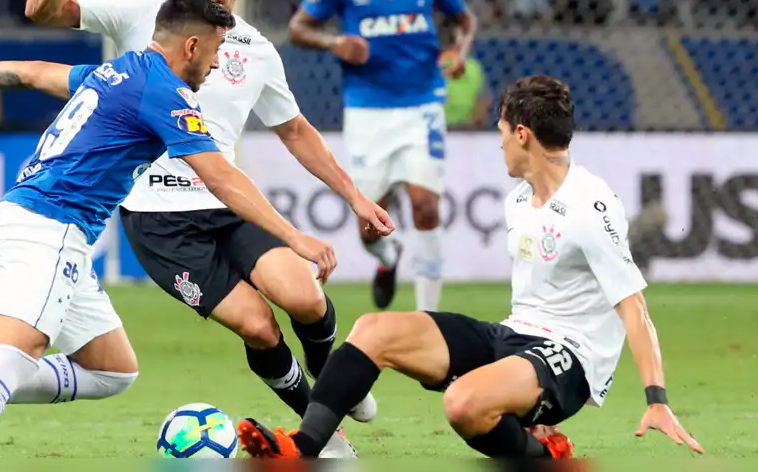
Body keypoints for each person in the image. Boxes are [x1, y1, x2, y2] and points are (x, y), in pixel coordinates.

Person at [0, 0, 338, 459]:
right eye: (214, 53)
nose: (215, 66)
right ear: (191, 47)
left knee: (112, 370)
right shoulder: (164, 92)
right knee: (14, 353)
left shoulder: (121, 69)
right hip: (50, 226)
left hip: (37, 223)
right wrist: (293, 237)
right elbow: (221, 178)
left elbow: (34, 72)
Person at [20, 0, 389, 454]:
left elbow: (295, 131)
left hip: (227, 204)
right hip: (159, 222)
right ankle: (322, 429)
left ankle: (331, 373)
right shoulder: (143, 12)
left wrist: (355, 196)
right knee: (260, 327)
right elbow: (43, 12)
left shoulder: (256, 49)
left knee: (305, 298)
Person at [235, 75, 705, 460]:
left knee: (463, 404)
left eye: (502, 132)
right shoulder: (519, 199)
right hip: (515, 337)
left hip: (569, 358)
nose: (499, 144)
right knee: (374, 329)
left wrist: (657, 400)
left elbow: (634, 308)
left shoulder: (589, 205)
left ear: (522, 134)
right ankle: (303, 450)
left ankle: (544, 459)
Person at [288, 0, 478, 312]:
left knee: (426, 205)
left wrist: (460, 53)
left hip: (422, 104)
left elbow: (465, 22)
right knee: (371, 225)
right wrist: (335, 42)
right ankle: (388, 260)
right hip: (367, 111)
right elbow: (299, 28)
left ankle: (430, 319)